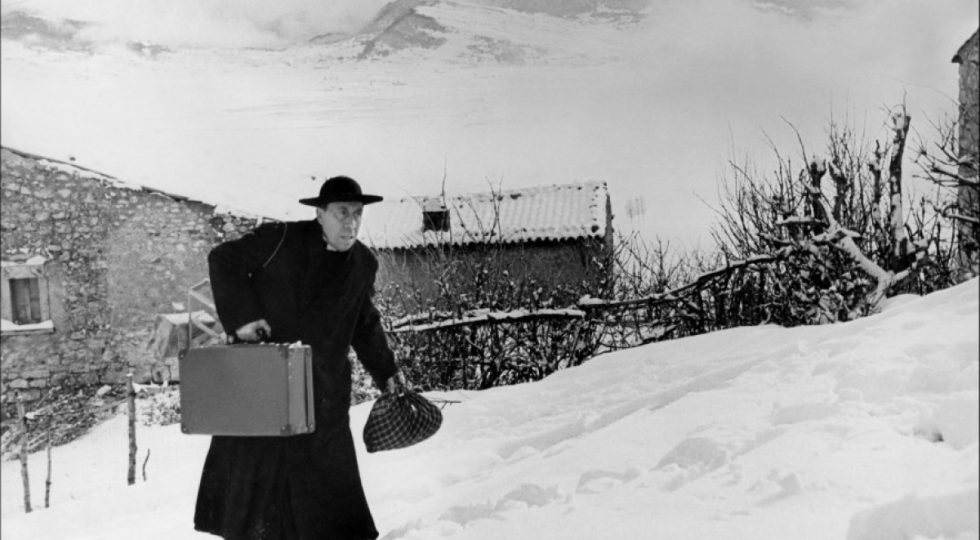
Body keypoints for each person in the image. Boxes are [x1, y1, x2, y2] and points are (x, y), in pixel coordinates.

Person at [194, 176, 407, 540]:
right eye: (342, 212)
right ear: (320, 213)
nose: (351, 222)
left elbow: (364, 321)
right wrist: (244, 319)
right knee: (260, 489)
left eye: (357, 213)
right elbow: (223, 259)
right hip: (266, 386)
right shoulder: (280, 241)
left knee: (328, 493)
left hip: (324, 394)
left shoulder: (362, 263)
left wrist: (387, 372)